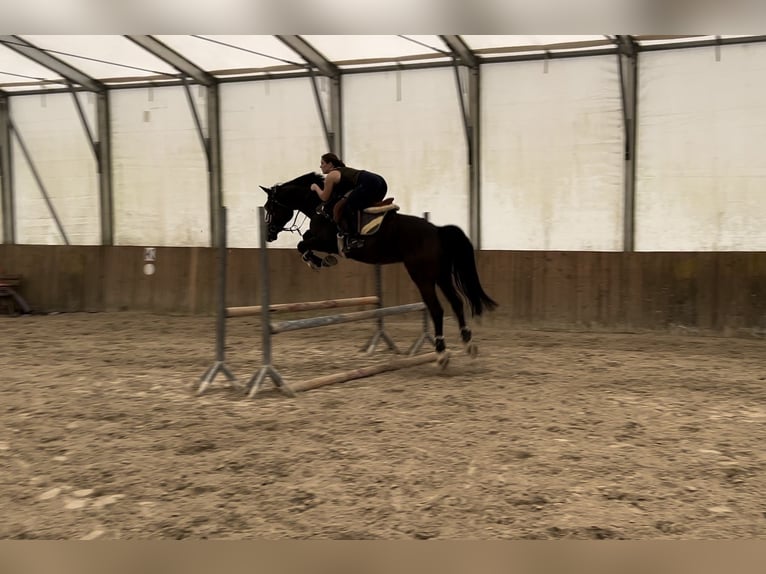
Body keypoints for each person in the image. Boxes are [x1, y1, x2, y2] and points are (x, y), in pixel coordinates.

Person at [310, 152, 388, 238]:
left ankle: (354, 237)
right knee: (359, 205)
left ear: (330, 164)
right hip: (380, 182)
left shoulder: (331, 175)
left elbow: (324, 197)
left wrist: (315, 187)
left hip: (369, 183)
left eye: (322, 163)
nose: (320, 166)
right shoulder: (342, 170)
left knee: (349, 206)